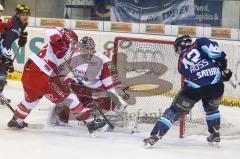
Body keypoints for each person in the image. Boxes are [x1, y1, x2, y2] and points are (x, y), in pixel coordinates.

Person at [7, 28, 109, 136]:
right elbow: (49, 32)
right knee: (70, 97)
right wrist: (59, 40)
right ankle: (91, 123)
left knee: (31, 99)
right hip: (41, 73)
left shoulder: (67, 52)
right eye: (74, 42)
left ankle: (16, 120)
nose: (74, 45)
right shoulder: (64, 42)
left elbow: (60, 69)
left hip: (30, 72)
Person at [143, 35, 232, 147]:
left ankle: (155, 136)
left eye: (177, 48)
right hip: (216, 86)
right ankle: (215, 134)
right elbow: (217, 54)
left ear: (180, 46)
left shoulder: (180, 63)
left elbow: (191, 75)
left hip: (195, 88)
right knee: (212, 109)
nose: (177, 50)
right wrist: (224, 69)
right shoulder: (201, 41)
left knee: (174, 110)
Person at [47, 36, 129, 126]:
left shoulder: (105, 61)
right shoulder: (75, 56)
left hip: (98, 92)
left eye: (90, 49)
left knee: (108, 99)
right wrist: (69, 80)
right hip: (82, 89)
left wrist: (118, 97)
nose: (87, 51)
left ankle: (115, 116)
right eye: (84, 49)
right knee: (66, 95)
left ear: (93, 48)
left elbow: (110, 85)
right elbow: (68, 73)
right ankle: (61, 116)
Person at [0, 4, 29, 104]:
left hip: (5, 50)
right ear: (17, 15)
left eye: (27, 14)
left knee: (3, 74)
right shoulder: (13, 23)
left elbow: (15, 37)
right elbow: (5, 41)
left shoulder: (23, 24)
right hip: (2, 48)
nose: (26, 16)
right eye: (23, 14)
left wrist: (22, 37)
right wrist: (6, 58)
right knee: (2, 71)